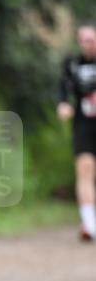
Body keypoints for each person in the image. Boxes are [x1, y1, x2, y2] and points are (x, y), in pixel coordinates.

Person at [57, 21, 96, 242]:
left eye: (91, 40)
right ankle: (89, 224)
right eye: (84, 41)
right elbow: (63, 88)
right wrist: (63, 104)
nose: (87, 45)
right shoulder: (72, 64)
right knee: (85, 169)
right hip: (83, 123)